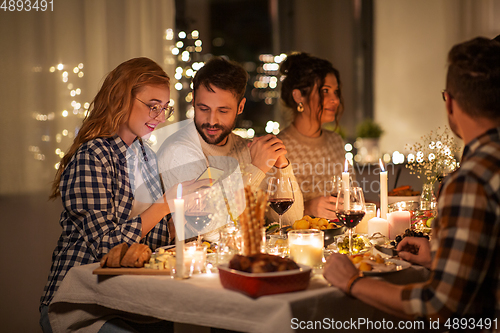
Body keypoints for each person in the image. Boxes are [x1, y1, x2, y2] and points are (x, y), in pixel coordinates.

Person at [323, 37, 500, 325]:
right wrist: (440, 257)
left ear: (450, 103)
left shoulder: (471, 179)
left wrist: (352, 282)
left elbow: (437, 307)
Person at [40, 57, 202, 332]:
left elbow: (148, 243)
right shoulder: (92, 157)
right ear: (121, 99)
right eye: (153, 106)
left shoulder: (146, 155)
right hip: (84, 303)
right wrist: (165, 205)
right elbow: (107, 247)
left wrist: (184, 217)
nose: (160, 117)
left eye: (165, 108)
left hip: (129, 299)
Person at [157, 56, 303, 227]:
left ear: (240, 107)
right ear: (194, 100)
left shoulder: (244, 147)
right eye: (203, 109)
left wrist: (281, 167)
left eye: (223, 111)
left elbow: (289, 220)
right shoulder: (179, 152)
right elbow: (208, 230)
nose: (212, 120)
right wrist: (256, 169)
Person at [277, 53, 346, 220]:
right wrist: (307, 208)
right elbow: (267, 213)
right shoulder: (278, 147)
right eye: (325, 91)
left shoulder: (336, 142)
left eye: (336, 92)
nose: (335, 100)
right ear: (299, 96)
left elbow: (349, 195)